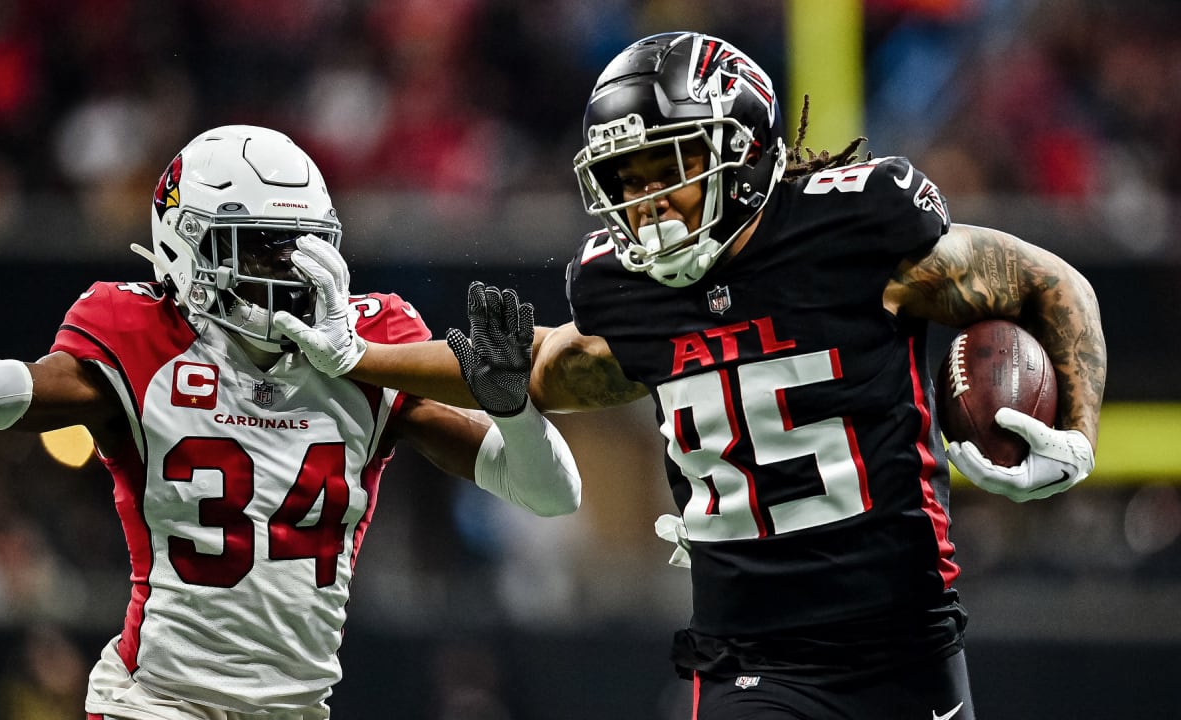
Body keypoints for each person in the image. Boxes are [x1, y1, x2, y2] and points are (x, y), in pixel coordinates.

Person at [336, 32, 1107, 720]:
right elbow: (538, 369)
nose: (647, 206)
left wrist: (1076, 429)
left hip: (907, 641)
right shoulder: (629, 293)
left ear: (742, 154)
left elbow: (1049, 283)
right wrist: (352, 356)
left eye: (667, 168)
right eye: (625, 182)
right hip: (752, 662)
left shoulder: (853, 233)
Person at [0, 124, 582, 719]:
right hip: (157, 702)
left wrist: (513, 409)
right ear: (186, 244)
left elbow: (555, 495)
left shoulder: (371, 349)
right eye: (261, 247)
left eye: (303, 246)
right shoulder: (142, 337)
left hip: (293, 708)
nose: (290, 271)